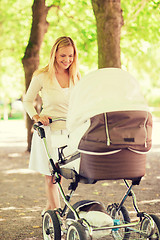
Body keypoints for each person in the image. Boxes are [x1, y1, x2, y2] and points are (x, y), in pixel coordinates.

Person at [23, 36, 80, 213]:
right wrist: (37, 117)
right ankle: (57, 216)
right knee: (51, 177)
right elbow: (27, 101)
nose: (67, 60)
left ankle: (49, 209)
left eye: (70, 56)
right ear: (54, 54)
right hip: (48, 131)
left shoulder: (76, 75)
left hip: (69, 132)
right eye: (63, 56)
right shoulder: (42, 75)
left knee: (61, 175)